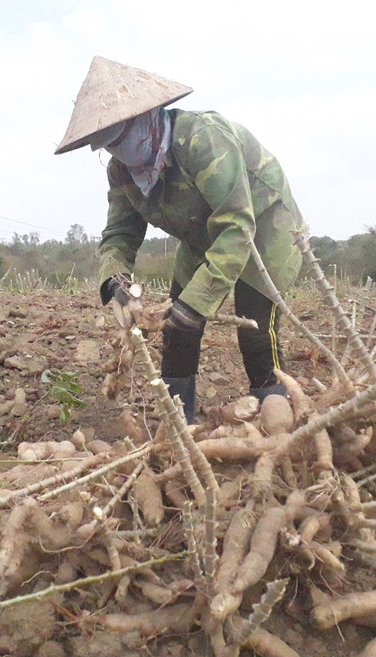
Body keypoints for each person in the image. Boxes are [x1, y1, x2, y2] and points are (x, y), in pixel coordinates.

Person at [55, 56, 304, 423]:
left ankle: (274, 411)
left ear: (147, 117)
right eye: (107, 145)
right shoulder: (122, 170)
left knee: (254, 329)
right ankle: (177, 423)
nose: (117, 151)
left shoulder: (204, 139)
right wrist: (115, 283)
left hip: (262, 228)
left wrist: (197, 304)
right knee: (178, 327)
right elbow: (120, 233)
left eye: (121, 137)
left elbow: (236, 226)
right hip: (198, 235)